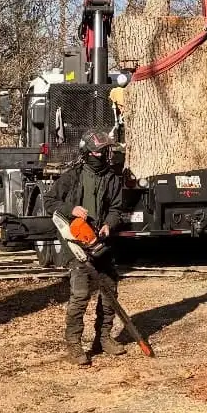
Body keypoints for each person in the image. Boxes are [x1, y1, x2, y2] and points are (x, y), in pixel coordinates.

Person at [51, 128, 127, 365]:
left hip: (101, 242)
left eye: (105, 151)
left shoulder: (112, 178)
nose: (103, 156)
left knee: (109, 292)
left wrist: (109, 224)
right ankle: (74, 345)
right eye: (98, 152)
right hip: (76, 244)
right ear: (87, 152)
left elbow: (116, 208)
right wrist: (71, 209)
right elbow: (50, 201)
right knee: (81, 295)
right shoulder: (71, 176)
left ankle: (103, 338)